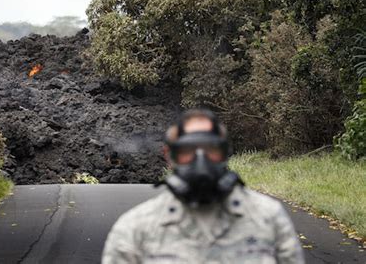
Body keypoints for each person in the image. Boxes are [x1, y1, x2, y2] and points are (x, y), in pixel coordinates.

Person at [102, 109, 305, 264]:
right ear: (169, 156)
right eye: (188, 150)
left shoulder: (268, 218)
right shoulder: (136, 228)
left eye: (211, 148)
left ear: (226, 153)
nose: (200, 159)